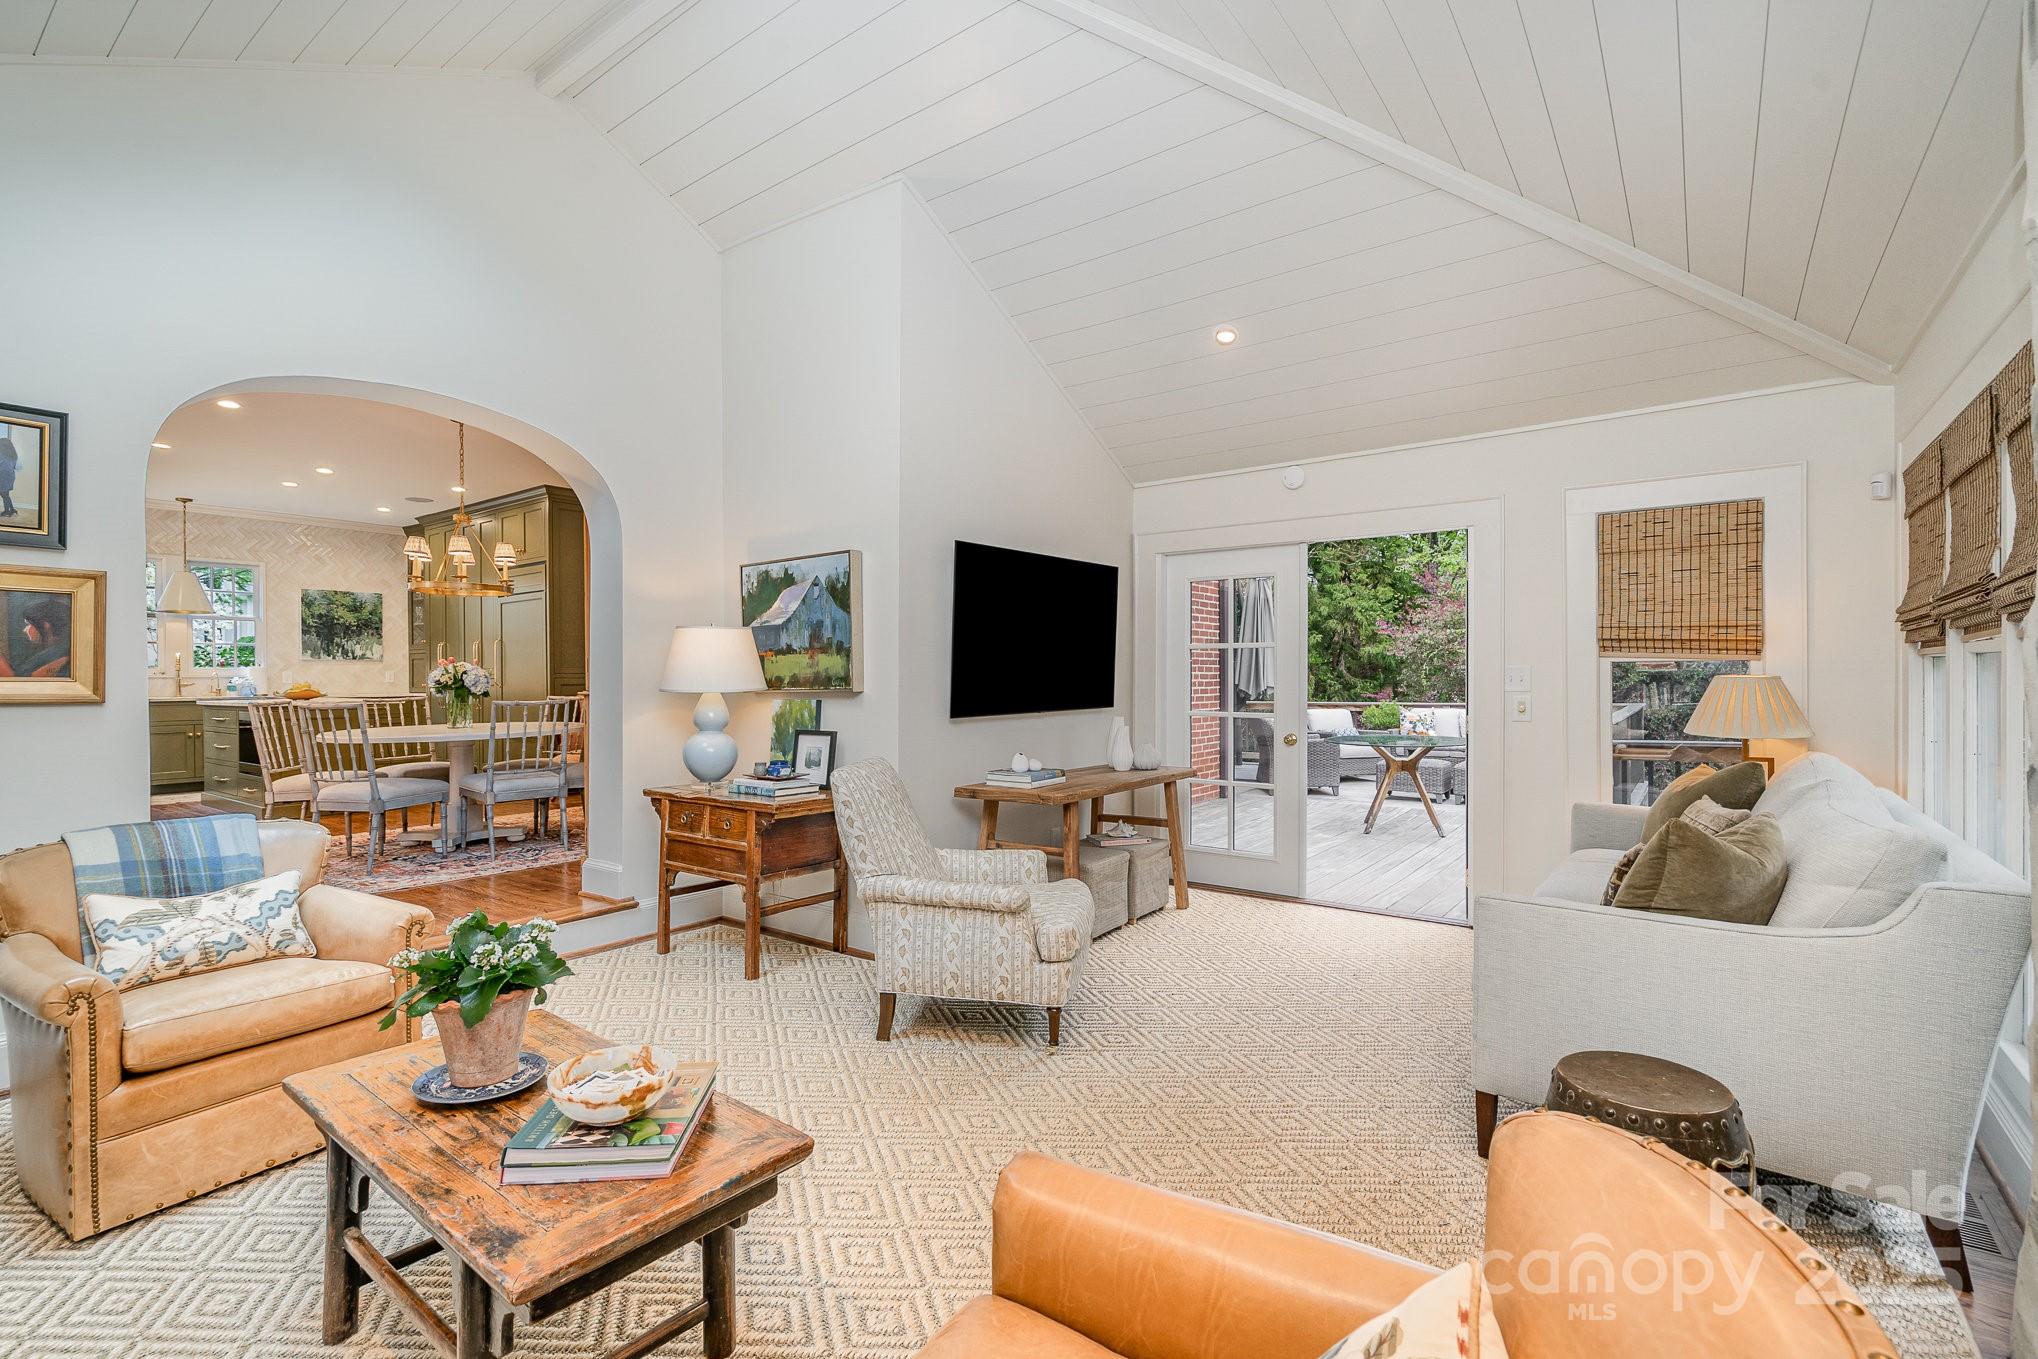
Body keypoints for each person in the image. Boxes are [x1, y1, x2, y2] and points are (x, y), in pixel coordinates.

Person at [1, 595, 70, 678]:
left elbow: (24, 684)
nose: (25, 629)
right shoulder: (53, 652)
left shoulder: (61, 657)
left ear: (46, 626)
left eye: (28, 624)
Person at [0, 423, 19, 519]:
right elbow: (17, 467)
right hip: (10, 477)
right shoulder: (13, 455)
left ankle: (8, 511)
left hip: (3, 477)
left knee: (4, 494)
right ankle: (11, 509)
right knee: (5, 494)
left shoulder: (2, 454)